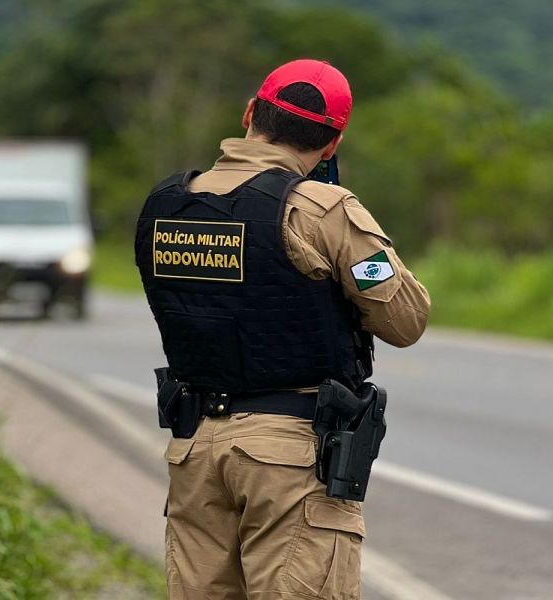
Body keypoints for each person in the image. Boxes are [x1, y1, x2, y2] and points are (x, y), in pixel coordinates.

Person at [135, 59, 430, 600]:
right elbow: (405, 318)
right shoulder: (321, 208)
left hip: (195, 450)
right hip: (288, 455)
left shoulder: (166, 204)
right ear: (332, 143)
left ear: (250, 113)